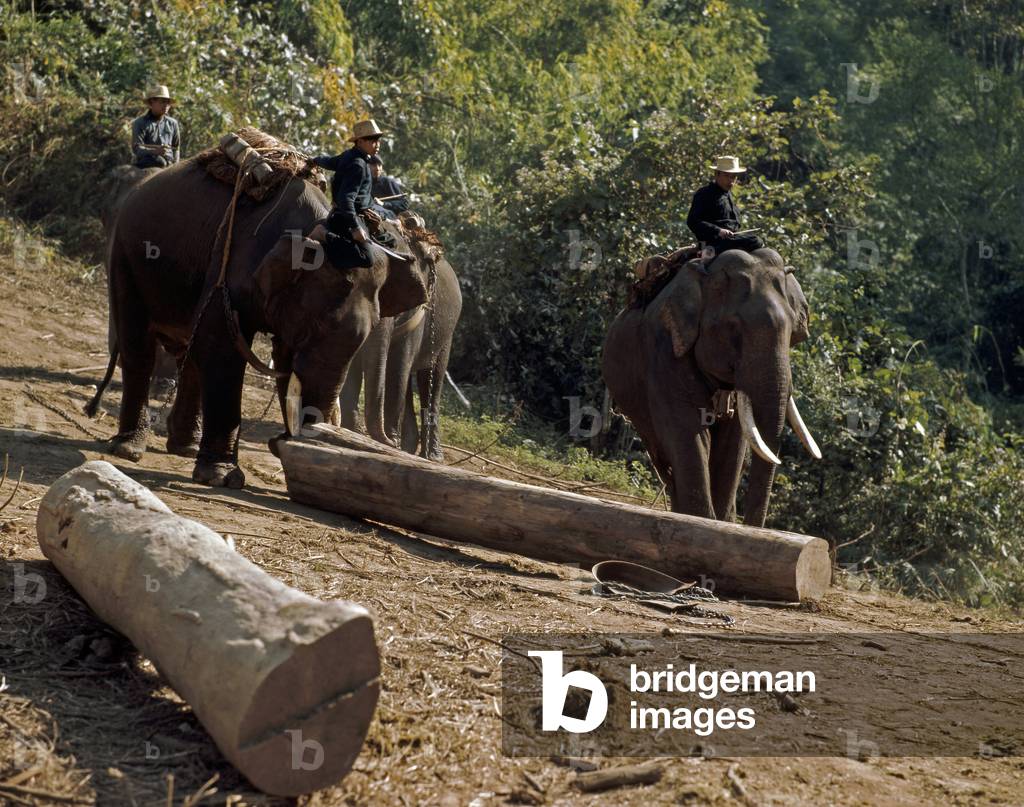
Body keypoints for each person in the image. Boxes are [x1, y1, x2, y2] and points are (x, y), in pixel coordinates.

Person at [307, 119, 393, 266]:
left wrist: (315, 160)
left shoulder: (349, 155)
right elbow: (346, 199)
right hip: (347, 217)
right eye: (372, 141)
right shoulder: (358, 165)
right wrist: (355, 228)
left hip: (345, 213)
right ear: (359, 142)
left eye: (378, 140)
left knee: (390, 240)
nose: (377, 145)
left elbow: (329, 162)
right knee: (366, 259)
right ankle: (323, 234)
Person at [686, 155, 764, 257]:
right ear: (716, 175)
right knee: (754, 240)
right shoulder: (704, 194)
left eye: (733, 177)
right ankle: (709, 252)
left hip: (732, 239)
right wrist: (718, 231)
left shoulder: (728, 195)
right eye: (727, 176)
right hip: (713, 241)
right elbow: (692, 221)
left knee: (757, 241)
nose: (731, 181)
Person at [131, 85, 181, 168]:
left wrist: (175, 166)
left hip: (169, 163)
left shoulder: (173, 123)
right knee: (160, 162)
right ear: (151, 103)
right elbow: (137, 149)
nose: (166, 105)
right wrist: (154, 151)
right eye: (162, 102)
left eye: (167, 102)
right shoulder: (139, 123)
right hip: (148, 163)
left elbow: (176, 148)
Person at [368, 155, 410, 220]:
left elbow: (404, 204)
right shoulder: (364, 183)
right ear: (368, 167)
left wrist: (384, 204)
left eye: (379, 165)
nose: (377, 169)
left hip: (390, 217)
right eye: (374, 165)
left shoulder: (388, 182)